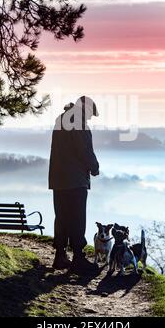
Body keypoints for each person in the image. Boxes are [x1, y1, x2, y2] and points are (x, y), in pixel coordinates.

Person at [49, 96, 100, 274]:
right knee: (77, 218)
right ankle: (78, 258)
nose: (89, 119)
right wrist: (94, 167)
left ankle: (60, 255)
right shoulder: (78, 122)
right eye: (90, 115)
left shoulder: (61, 119)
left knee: (62, 216)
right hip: (75, 179)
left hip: (58, 179)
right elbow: (84, 149)